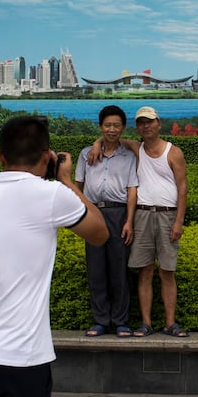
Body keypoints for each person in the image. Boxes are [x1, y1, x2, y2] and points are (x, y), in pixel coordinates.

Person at [0, 115, 108, 397]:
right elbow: (99, 233)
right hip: (19, 359)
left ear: (0, 156)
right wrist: (65, 180)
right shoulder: (52, 195)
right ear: (47, 156)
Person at [88, 106, 189, 338]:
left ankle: (170, 323)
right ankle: (146, 323)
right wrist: (95, 144)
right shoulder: (137, 148)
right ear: (137, 127)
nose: (146, 126)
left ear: (158, 123)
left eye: (150, 122)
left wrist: (178, 222)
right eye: (142, 123)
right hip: (142, 214)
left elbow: (182, 188)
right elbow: (110, 137)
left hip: (167, 214)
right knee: (144, 271)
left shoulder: (173, 152)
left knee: (167, 271)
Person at [75, 105, 138, 338]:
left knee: (119, 269)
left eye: (116, 125)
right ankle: (100, 320)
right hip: (93, 213)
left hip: (118, 214)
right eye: (107, 125)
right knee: (96, 269)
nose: (112, 129)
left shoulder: (129, 156)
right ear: (100, 127)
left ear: (123, 128)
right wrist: (80, 215)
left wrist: (129, 221)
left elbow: (132, 190)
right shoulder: (86, 154)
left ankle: (121, 321)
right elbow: (78, 186)